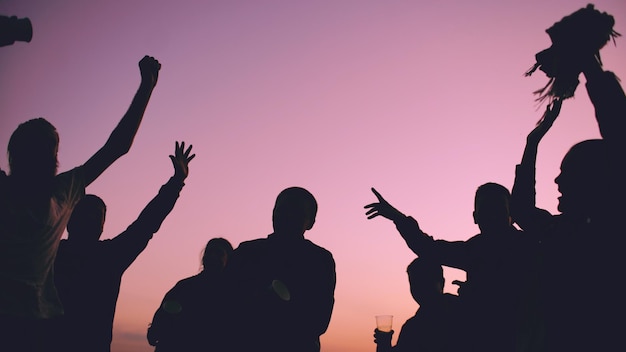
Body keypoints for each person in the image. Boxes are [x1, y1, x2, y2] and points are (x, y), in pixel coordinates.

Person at [0, 55, 160, 351]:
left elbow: (118, 146)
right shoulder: (53, 190)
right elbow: (116, 147)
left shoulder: (64, 190)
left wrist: (146, 88)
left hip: (38, 327)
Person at [512, 33, 626, 352]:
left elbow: (619, 133)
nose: (557, 183)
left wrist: (591, 67)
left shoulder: (612, 229)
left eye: (567, 175)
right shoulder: (558, 230)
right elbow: (520, 211)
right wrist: (532, 144)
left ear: (595, 180)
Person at [53, 141, 194, 352]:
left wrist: (176, 183)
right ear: (69, 220)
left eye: (97, 216)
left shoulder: (109, 256)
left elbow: (147, 223)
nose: (90, 220)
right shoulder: (50, 252)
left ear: (102, 226)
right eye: (85, 214)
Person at [365, 184, 533, 352]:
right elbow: (428, 248)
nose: (492, 217)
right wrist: (397, 217)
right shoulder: (474, 250)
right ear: (476, 217)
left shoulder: (528, 246)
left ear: (511, 214)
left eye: (498, 210)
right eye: (486, 211)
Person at [224, 187, 336, 352]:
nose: (287, 216)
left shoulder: (320, 260)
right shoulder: (247, 252)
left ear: (311, 222)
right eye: (282, 209)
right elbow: (224, 302)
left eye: (296, 211)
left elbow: (319, 320)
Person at [147, 237, 234, 352]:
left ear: (229, 260)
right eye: (209, 252)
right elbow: (158, 325)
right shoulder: (183, 287)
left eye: (218, 253)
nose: (212, 256)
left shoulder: (234, 294)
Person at [373, 257, 459, 352]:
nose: (420, 289)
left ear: (442, 282)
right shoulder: (412, 327)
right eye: (414, 283)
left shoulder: (463, 312)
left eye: (424, 282)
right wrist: (384, 344)